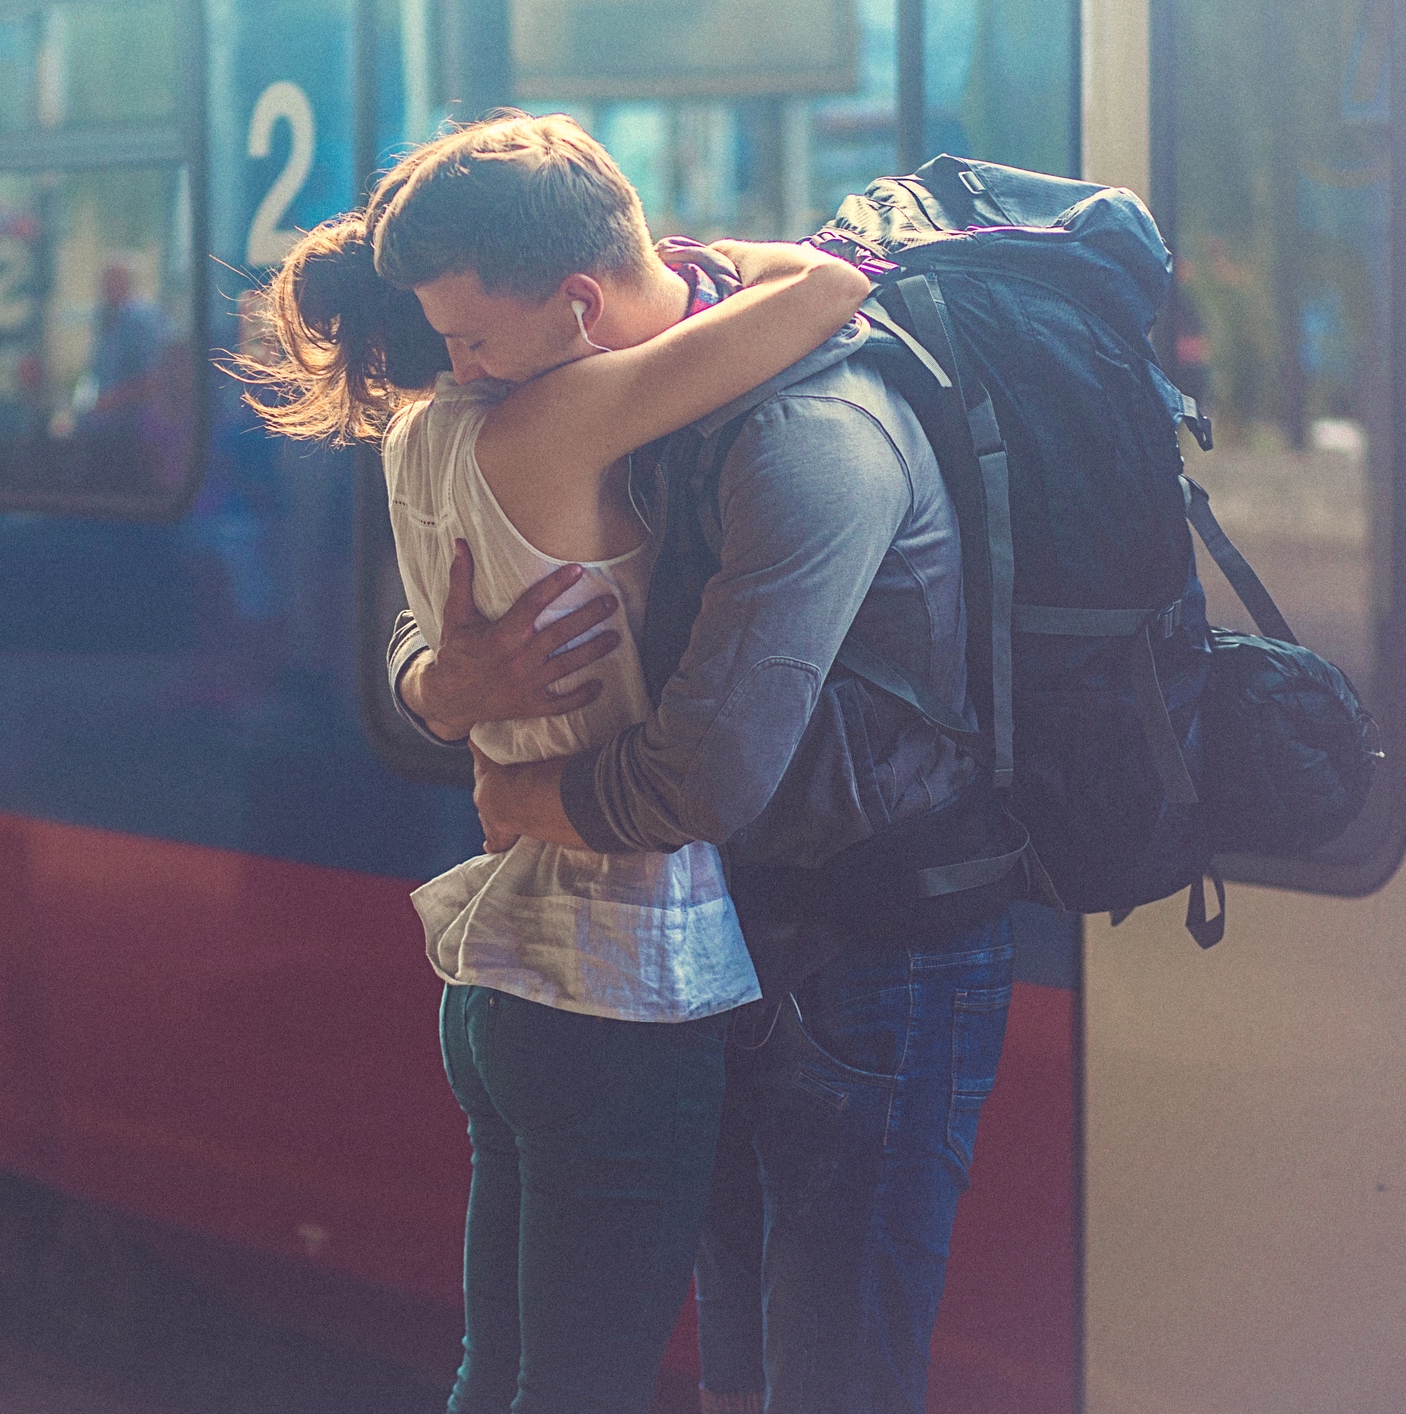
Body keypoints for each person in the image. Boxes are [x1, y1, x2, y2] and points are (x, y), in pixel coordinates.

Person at [384, 137, 1024, 1414]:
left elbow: (703, 776)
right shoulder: (619, 404)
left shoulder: (805, 433)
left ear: (574, 304)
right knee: (738, 1366)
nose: (458, 370)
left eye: (471, 337)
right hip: (736, 943)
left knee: (830, 1374)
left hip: (877, 953)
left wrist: (522, 800)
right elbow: (426, 624)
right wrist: (450, 684)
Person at [243, 115, 871, 1414]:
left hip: (499, 984)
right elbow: (828, 291)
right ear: (583, 302)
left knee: (510, 1369)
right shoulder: (569, 412)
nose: (453, 356)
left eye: (467, 333)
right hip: (617, 987)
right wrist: (698, 256)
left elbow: (424, 658)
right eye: (454, 336)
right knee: (584, 1383)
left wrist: (433, 684)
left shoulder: (422, 434)